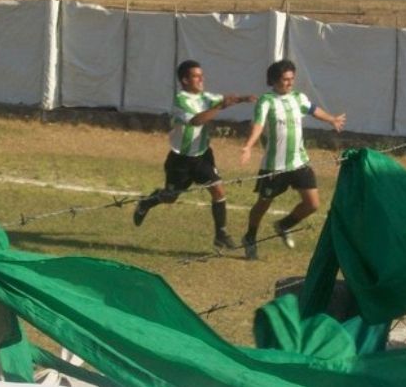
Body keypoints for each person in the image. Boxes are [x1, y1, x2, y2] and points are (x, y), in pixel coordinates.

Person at [133, 59, 255, 252]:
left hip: (202, 155)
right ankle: (147, 202)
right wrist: (220, 107)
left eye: (201, 75)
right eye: (196, 76)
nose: (201, 79)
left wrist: (242, 98)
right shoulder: (181, 100)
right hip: (181, 159)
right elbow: (196, 121)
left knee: (218, 190)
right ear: (185, 80)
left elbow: (223, 100)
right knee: (170, 197)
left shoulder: (206, 97)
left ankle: (221, 234)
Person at [239, 59, 346, 260]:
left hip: (299, 162)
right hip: (274, 166)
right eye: (285, 79)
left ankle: (283, 225)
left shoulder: (298, 98)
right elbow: (258, 125)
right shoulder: (266, 101)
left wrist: (331, 119)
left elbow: (314, 110)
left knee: (312, 204)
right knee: (263, 203)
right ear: (274, 80)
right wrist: (248, 146)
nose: (290, 83)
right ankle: (250, 237)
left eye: (292, 78)